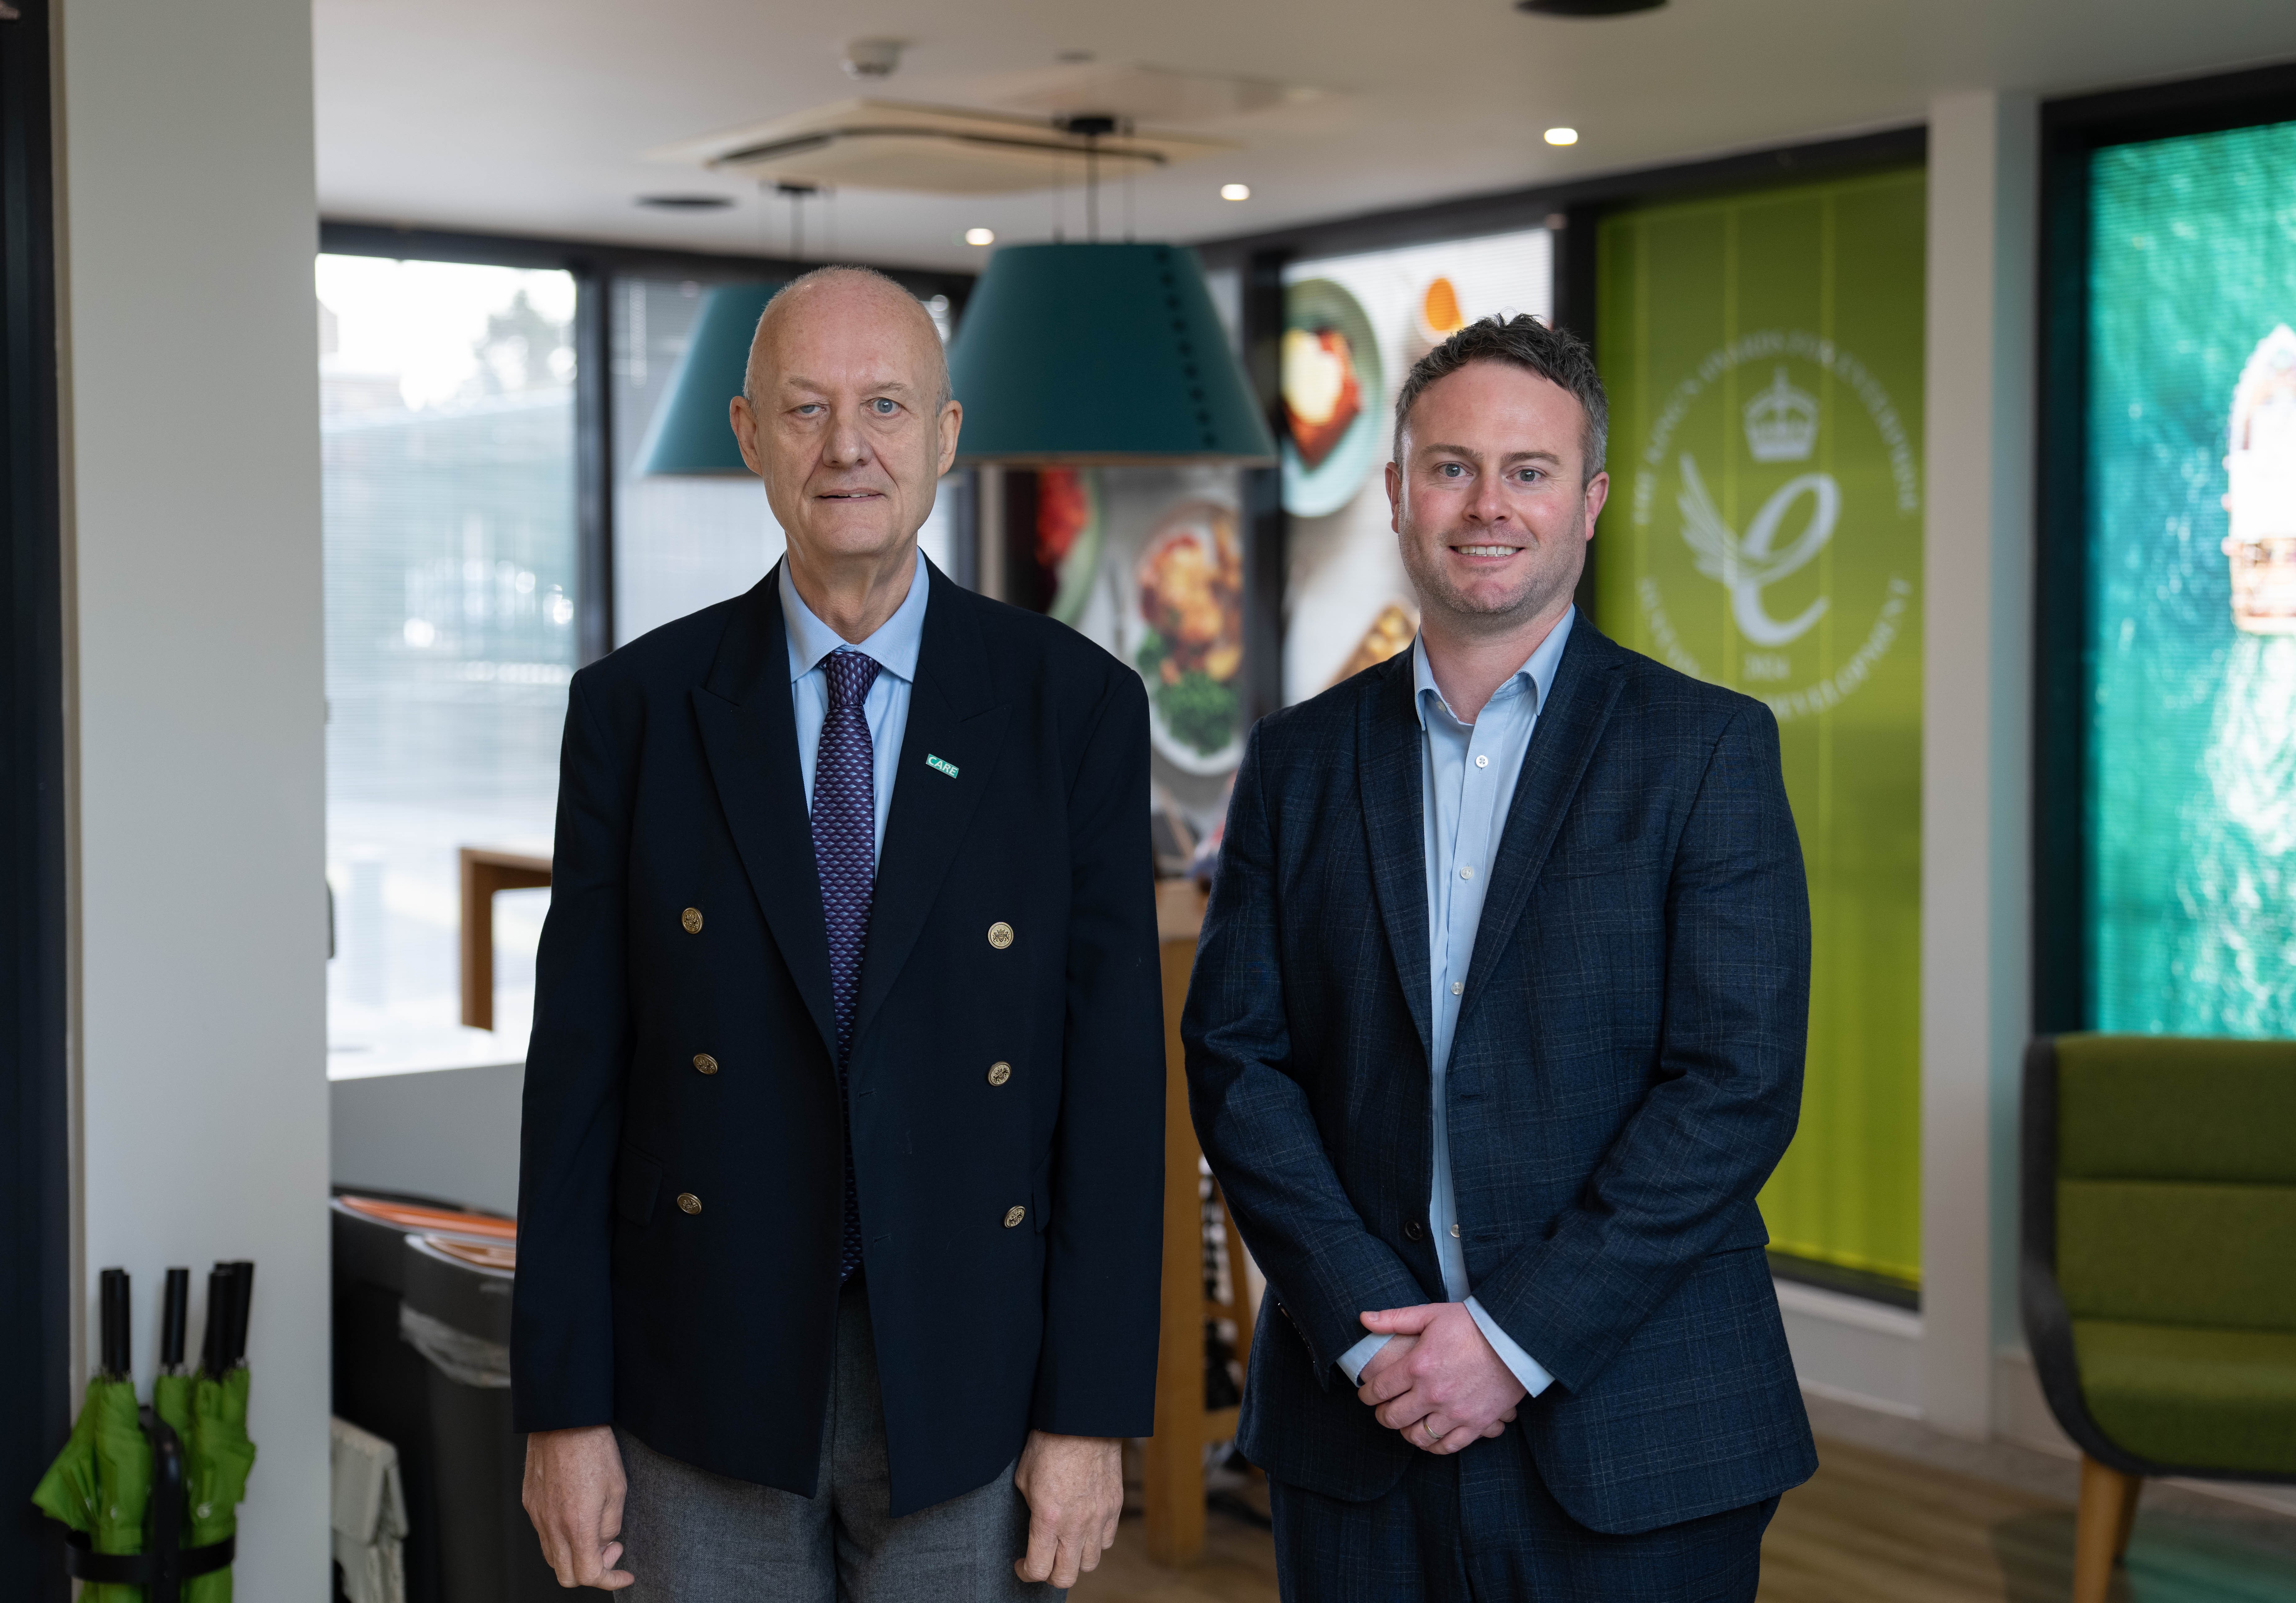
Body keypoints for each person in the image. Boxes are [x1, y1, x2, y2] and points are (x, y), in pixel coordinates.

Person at [512, 266, 1164, 1599]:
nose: (846, 445)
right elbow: (574, 1085)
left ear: (945, 434)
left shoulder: (1071, 707)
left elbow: (1109, 1092)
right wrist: (560, 1409)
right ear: (748, 435)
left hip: (971, 1364)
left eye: (883, 404)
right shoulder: (636, 711)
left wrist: (1090, 1413)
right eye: (805, 409)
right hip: (702, 1365)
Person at [1184, 313, 1817, 1600]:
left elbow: (1733, 1083)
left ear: (1588, 502)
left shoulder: (1706, 751)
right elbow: (1236, 1060)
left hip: (1643, 1427)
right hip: (1360, 1421)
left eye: (1527, 470)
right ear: (1396, 493)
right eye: (1450, 466)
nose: (1487, 504)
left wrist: (1514, 1336)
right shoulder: (1297, 760)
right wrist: (1376, 1339)